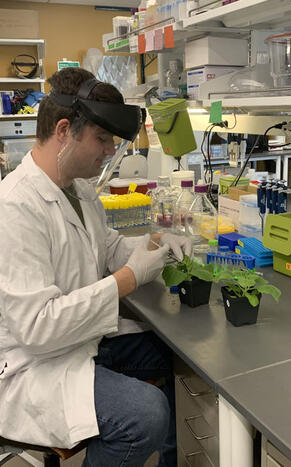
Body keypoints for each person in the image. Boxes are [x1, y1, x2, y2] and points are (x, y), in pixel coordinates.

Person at [0, 67, 192, 467]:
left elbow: (110, 249)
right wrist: (128, 279)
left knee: (171, 353)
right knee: (144, 414)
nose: (109, 151)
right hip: (31, 366)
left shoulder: (80, 190)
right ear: (64, 130)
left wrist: (154, 243)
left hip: (77, 343)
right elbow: (37, 327)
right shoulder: (15, 207)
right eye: (102, 139)